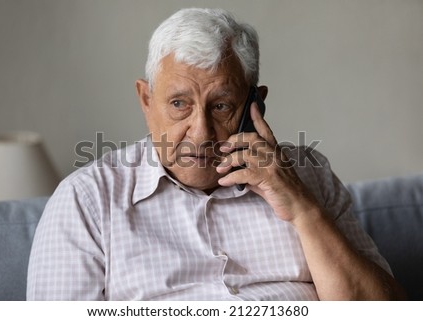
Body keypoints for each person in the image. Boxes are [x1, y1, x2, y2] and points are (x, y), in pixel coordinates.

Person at [27, 8, 405, 300]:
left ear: (256, 104)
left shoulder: (310, 176)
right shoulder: (87, 200)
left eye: (221, 106)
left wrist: (304, 211)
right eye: (179, 104)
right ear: (146, 100)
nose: (201, 131)